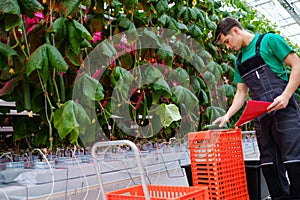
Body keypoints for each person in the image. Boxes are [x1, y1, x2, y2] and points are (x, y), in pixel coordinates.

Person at [213, 17, 300, 199]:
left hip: (284, 111)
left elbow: (297, 64)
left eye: (227, 41)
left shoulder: (269, 41)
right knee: (269, 165)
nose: (228, 47)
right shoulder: (239, 61)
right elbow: (241, 93)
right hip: (262, 117)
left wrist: (286, 95)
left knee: (294, 160)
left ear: (236, 30)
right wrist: (227, 116)